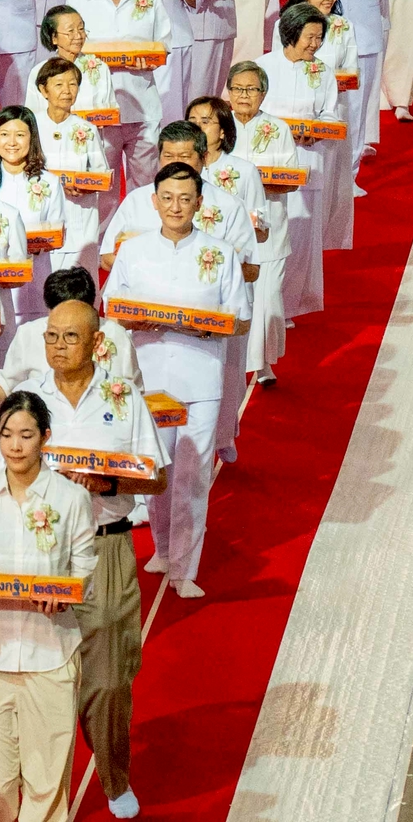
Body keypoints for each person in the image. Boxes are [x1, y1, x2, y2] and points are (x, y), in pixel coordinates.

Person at [32, 295, 165, 818]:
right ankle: (47, 792)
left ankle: (114, 778)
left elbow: (155, 478)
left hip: (106, 545)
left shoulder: (125, 396)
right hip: (40, 553)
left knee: (109, 680)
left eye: (70, 336)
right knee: (43, 679)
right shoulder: (27, 398)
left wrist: (108, 480)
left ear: (96, 343)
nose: (58, 346)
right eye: (50, 336)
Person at [101, 162, 253, 597]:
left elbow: (239, 318)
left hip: (200, 376)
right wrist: (139, 321)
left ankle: (185, 568)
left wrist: (208, 327)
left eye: (186, 199)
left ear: (199, 204)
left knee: (193, 473)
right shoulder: (133, 250)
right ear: (154, 202)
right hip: (147, 376)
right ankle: (164, 548)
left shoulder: (220, 253)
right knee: (157, 470)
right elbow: (112, 307)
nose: (176, 206)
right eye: (167, 198)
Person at [0, 392, 100, 822]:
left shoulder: (71, 500)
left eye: (26, 435)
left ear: (45, 438)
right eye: (7, 434)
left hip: (49, 654)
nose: (15, 445)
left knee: (46, 781)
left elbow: (85, 571)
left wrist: (68, 589)